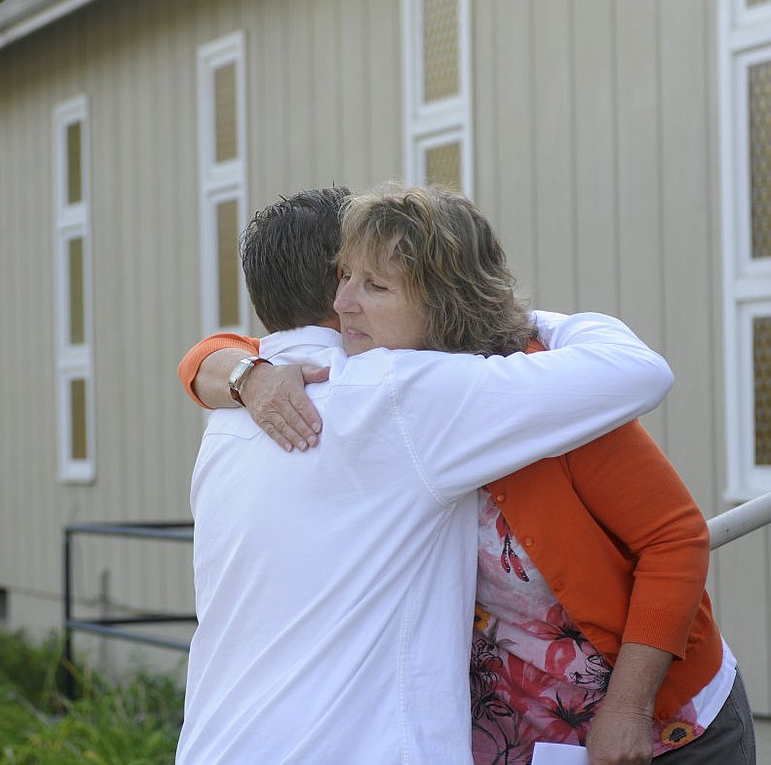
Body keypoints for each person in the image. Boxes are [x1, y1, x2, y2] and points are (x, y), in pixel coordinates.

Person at [179, 183, 757, 764]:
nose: (345, 302)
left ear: (441, 301)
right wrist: (238, 371)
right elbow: (263, 346)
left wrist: (629, 707)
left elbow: (674, 537)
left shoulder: (540, 393)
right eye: (343, 277)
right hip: (516, 735)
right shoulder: (336, 387)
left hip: (660, 727)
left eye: (373, 284)